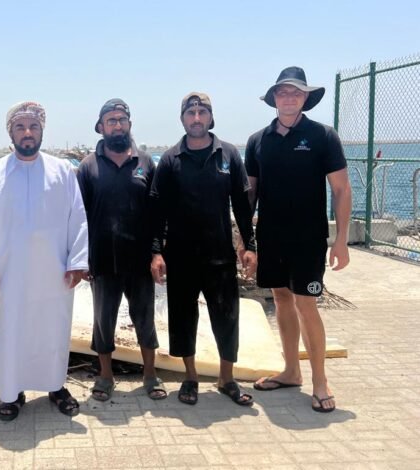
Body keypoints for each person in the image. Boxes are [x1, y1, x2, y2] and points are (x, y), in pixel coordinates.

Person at [0, 101, 89, 421]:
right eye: (20, 127)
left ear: (41, 131)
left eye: (33, 127)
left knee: (54, 330)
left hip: (54, 272)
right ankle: (11, 392)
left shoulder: (62, 170)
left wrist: (77, 262)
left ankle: (56, 386)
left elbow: (77, 217)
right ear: (11, 133)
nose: (27, 133)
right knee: (12, 330)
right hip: (10, 273)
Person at [246, 67, 352, 413]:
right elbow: (250, 194)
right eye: (283, 92)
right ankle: (291, 371)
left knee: (306, 303)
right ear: (274, 98)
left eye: (296, 92)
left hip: (308, 237)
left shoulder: (323, 136)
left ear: (305, 98)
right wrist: (245, 240)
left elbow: (341, 189)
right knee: (281, 300)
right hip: (271, 235)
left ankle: (320, 380)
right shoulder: (258, 140)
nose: (289, 98)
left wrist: (341, 240)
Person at [149, 92, 257, 407]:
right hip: (181, 256)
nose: (196, 118)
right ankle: (191, 376)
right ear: (182, 118)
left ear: (210, 117)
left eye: (202, 112)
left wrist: (249, 246)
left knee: (227, 318)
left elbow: (242, 205)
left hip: (219, 254)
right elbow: (157, 211)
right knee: (184, 319)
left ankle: (227, 378)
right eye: (191, 113)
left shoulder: (229, 155)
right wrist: (156, 252)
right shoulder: (170, 159)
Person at [76, 99, 164, 402]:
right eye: (111, 120)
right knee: (103, 321)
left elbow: (157, 214)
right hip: (102, 259)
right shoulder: (88, 166)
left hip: (140, 259)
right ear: (101, 127)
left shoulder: (146, 163)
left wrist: (157, 253)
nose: (117, 125)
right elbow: (78, 217)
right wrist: (81, 257)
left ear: (129, 124)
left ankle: (150, 375)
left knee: (145, 319)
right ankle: (105, 376)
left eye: (122, 120)